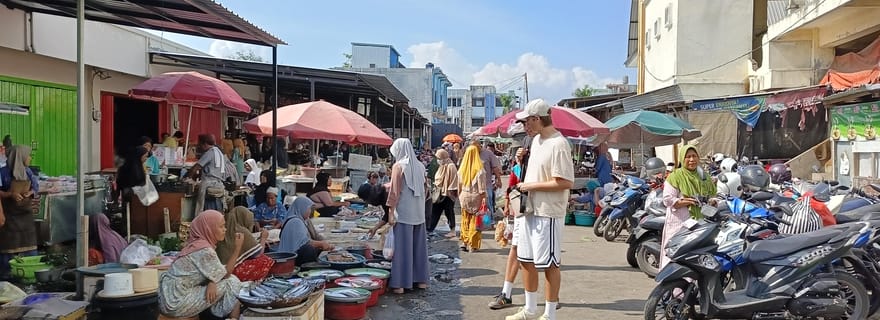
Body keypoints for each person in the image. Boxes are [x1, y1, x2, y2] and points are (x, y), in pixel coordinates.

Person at [507, 99, 574, 320]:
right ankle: (529, 308)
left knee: (550, 264)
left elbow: (564, 182)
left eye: (527, 121)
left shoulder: (559, 144)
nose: (525, 126)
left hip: (548, 212)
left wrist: (530, 185)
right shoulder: (535, 142)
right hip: (529, 209)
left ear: (537, 119)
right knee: (526, 259)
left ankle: (550, 313)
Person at [158, 210, 243, 319]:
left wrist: (212, 281)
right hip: (175, 302)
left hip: (169, 298)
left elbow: (216, 271)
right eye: (221, 227)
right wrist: (237, 248)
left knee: (222, 282)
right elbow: (226, 274)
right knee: (232, 282)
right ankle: (219, 315)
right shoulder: (204, 250)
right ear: (209, 228)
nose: (225, 230)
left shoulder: (196, 245)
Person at [660, 144, 717, 269]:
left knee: (695, 257)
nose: (692, 160)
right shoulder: (675, 176)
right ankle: (673, 286)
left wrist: (712, 201)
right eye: (688, 157)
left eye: (694, 156)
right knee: (675, 253)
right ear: (682, 159)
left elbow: (713, 194)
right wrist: (686, 201)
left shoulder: (703, 176)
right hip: (679, 222)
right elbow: (667, 200)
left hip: (700, 223)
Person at [385, 138, 429, 294]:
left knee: (403, 249)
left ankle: (400, 284)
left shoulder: (398, 166)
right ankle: (421, 280)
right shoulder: (421, 166)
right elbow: (426, 189)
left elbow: (394, 193)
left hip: (404, 213)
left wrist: (391, 213)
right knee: (418, 248)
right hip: (419, 212)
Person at [0, 145, 39, 279]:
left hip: (25, 216)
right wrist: (10, 194)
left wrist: (30, 192)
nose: (30, 158)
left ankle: (29, 274)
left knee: (29, 247)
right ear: (19, 156)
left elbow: (36, 187)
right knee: (8, 249)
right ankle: (7, 277)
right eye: (28, 155)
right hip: (9, 216)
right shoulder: (3, 172)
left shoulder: (28, 172)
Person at [216, 207, 272, 281]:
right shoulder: (241, 231)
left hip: (220, 271)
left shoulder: (222, 230)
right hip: (232, 272)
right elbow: (259, 253)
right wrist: (263, 238)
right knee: (265, 260)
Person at [278, 197, 334, 265]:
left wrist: (325, 243)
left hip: (296, 255)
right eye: (309, 208)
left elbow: (315, 235)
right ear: (302, 208)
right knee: (309, 249)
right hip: (290, 259)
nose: (310, 211)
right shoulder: (295, 222)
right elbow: (304, 243)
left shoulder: (304, 220)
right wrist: (321, 244)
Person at [458, 145, 487, 253]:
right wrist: (485, 201)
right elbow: (482, 189)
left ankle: (464, 242)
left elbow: (459, 186)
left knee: (465, 220)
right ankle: (472, 244)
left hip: (464, 196)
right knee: (475, 221)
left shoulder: (462, 169)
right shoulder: (480, 170)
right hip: (476, 197)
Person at [187, 134, 227, 212]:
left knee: (200, 208)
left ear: (204, 144)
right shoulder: (219, 152)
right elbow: (204, 169)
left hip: (209, 184)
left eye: (199, 144)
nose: (199, 146)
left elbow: (196, 167)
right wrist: (195, 177)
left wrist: (188, 178)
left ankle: (199, 218)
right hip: (218, 183)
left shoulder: (210, 152)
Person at [429, 149, 459, 237]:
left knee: (449, 212)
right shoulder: (443, 166)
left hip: (448, 194)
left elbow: (454, 180)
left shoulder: (451, 166)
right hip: (440, 192)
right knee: (435, 210)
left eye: (439, 158)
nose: (438, 160)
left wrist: (450, 192)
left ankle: (452, 230)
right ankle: (430, 228)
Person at [480, 141, 503, 216]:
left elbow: (497, 169)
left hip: (488, 183)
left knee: (489, 201)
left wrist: (498, 180)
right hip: (477, 185)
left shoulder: (490, 155)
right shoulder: (473, 154)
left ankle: (490, 219)